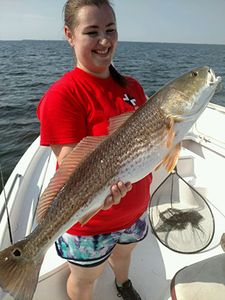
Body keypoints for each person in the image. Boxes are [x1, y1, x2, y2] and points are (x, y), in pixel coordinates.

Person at [37, 1, 152, 299]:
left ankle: (123, 284)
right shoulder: (61, 97)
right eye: (92, 32)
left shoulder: (133, 87)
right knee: (85, 280)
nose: (105, 40)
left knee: (125, 256)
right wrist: (100, 194)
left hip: (134, 211)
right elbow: (73, 172)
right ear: (69, 34)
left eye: (110, 29)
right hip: (90, 224)